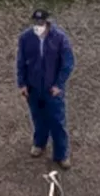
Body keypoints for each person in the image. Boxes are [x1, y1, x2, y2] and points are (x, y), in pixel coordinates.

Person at [16, 9, 75, 169]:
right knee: (38, 117)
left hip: (52, 89)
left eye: (41, 23)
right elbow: (21, 61)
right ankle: (39, 143)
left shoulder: (60, 39)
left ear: (48, 22)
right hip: (33, 88)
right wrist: (22, 84)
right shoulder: (26, 38)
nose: (38, 26)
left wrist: (58, 85)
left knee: (57, 121)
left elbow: (68, 63)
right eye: (36, 23)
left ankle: (61, 154)